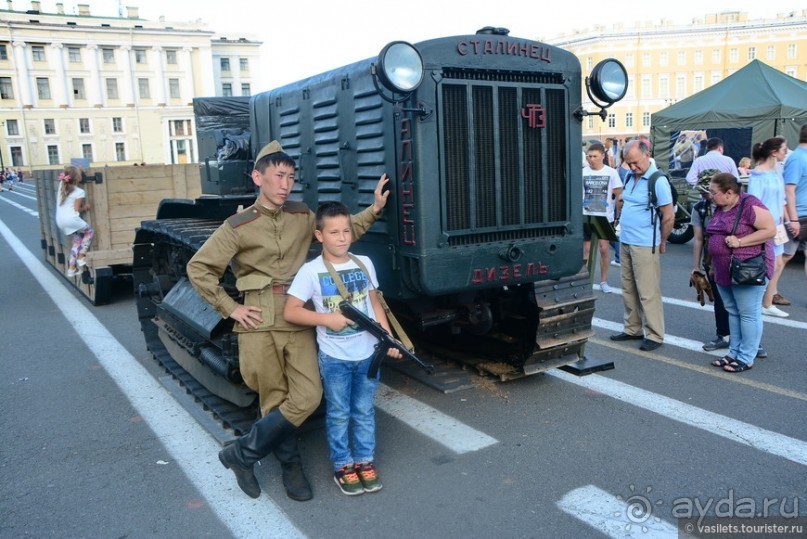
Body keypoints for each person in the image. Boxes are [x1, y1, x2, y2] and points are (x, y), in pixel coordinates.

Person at [186, 141, 390, 501]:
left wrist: (373, 209)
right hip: (259, 317)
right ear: (257, 177)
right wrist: (229, 308)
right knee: (274, 397)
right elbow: (199, 268)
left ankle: (241, 453)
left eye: (291, 177)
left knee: (308, 395)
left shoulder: (301, 215)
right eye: (279, 176)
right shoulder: (238, 224)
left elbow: (337, 232)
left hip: (297, 312)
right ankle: (291, 467)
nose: (286, 184)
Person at [284, 201, 399, 496]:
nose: (342, 237)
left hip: (367, 354)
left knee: (363, 410)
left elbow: (374, 304)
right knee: (338, 413)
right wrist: (327, 319)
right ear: (319, 235)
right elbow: (291, 311)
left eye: (346, 230)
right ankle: (343, 465)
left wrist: (388, 339)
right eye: (334, 232)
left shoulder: (364, 263)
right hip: (335, 357)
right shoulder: (311, 272)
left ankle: (365, 461)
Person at [706, 173, 776, 373]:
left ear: (729, 193)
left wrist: (740, 242)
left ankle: (746, 356)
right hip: (723, 269)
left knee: (748, 314)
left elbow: (769, 230)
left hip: (747, 268)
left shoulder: (749, 204)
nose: (711, 195)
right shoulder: (721, 206)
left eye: (714, 192)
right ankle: (734, 352)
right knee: (733, 311)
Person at [610, 140, 675, 351]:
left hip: (645, 243)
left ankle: (655, 334)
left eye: (636, 162)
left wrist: (662, 241)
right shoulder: (630, 176)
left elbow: (668, 216)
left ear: (647, 155)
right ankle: (632, 328)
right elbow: (622, 200)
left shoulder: (657, 180)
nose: (632, 167)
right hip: (626, 239)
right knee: (628, 287)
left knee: (648, 291)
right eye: (629, 163)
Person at [747, 137, 790, 316]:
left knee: (778, 263)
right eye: (783, 149)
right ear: (774, 152)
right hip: (765, 227)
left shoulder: (777, 171)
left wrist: (787, 220)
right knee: (768, 264)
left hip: (777, 226)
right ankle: (760, 303)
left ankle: (766, 303)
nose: (785, 152)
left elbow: (782, 200)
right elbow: (754, 203)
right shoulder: (758, 174)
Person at [582, 143, 623, 292]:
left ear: (603, 156)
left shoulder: (611, 172)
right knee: (586, 249)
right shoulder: (583, 172)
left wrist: (618, 216)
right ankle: (584, 279)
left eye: (595, 156)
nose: (592, 159)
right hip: (586, 215)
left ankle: (603, 281)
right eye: (589, 156)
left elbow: (619, 194)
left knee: (604, 249)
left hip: (605, 216)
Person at [55, 165, 94, 278]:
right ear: (78, 178)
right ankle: (81, 256)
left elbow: (71, 174)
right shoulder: (79, 192)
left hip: (60, 220)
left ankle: (72, 269)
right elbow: (77, 209)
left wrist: (77, 169)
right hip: (71, 220)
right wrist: (85, 207)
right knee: (89, 231)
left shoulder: (62, 184)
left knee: (77, 242)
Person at [782, 124, 807, 282]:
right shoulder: (798, 158)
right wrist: (793, 219)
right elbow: (789, 190)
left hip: (803, 214)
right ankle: (767, 292)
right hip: (798, 215)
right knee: (785, 256)